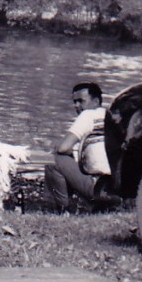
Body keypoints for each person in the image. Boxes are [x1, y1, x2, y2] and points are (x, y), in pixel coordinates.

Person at [44, 81, 114, 213]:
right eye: (74, 102)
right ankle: (96, 207)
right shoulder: (111, 116)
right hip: (116, 189)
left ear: (95, 101)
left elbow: (63, 148)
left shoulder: (87, 115)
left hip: (99, 189)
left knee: (53, 160)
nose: (77, 106)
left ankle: (59, 209)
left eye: (81, 101)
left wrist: (57, 147)